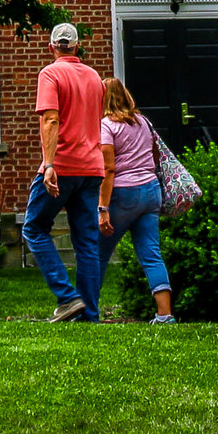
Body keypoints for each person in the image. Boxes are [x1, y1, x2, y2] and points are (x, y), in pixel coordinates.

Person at [24, 21, 107, 322]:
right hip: (92, 167)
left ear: (51, 47)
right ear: (76, 46)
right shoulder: (95, 77)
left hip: (63, 165)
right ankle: (90, 315)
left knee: (34, 228)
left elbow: (50, 120)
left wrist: (49, 165)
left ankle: (67, 296)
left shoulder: (51, 73)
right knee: (87, 242)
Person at [99, 76, 175, 323]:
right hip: (151, 190)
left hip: (123, 194)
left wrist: (103, 207)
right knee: (151, 254)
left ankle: (87, 310)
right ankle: (165, 315)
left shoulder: (107, 126)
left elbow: (109, 169)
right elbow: (155, 155)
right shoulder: (143, 122)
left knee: (97, 252)